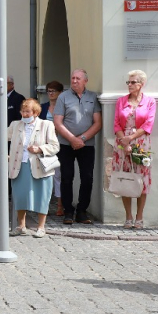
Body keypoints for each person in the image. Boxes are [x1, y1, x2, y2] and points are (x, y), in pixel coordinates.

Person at [53, 69, 102, 225]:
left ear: (85, 81)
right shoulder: (63, 97)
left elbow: (98, 123)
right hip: (66, 144)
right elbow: (58, 122)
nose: (74, 81)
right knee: (67, 177)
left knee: (87, 178)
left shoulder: (92, 97)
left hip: (87, 145)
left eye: (77, 78)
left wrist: (82, 138)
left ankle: (82, 211)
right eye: (72, 78)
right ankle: (68, 211)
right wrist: (72, 139)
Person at [8, 99, 60, 238]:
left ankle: (41, 227)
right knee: (20, 196)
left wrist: (40, 149)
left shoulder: (46, 125)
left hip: (40, 166)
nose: (24, 114)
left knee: (42, 196)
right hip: (19, 165)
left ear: (35, 113)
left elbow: (55, 146)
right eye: (22, 111)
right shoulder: (15, 125)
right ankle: (21, 226)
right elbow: (2, 138)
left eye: (27, 112)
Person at [113, 70, 156, 230]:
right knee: (125, 177)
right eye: (128, 82)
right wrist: (124, 142)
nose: (129, 85)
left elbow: (148, 124)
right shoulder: (121, 101)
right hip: (122, 143)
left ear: (141, 84)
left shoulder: (150, 101)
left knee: (141, 179)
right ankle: (128, 216)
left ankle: (139, 216)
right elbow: (117, 123)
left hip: (141, 143)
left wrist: (130, 139)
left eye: (133, 82)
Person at [39, 81, 65, 216]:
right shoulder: (42, 107)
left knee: (58, 175)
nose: (50, 93)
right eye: (49, 91)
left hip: (61, 143)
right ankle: (45, 205)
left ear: (60, 93)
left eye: (53, 91)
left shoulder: (64, 107)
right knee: (45, 173)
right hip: (45, 145)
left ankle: (60, 205)